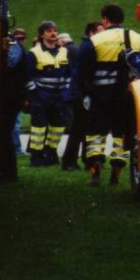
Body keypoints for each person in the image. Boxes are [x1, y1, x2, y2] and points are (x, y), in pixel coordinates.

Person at [76, 4, 140, 187]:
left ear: (105, 19)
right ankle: (117, 170)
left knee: (95, 132)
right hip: (125, 94)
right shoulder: (135, 38)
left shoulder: (96, 40)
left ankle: (95, 166)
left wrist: (85, 93)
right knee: (121, 133)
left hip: (100, 94)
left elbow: (82, 69)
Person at [23, 21, 74, 167]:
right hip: (42, 96)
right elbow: (27, 76)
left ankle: (51, 153)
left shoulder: (64, 51)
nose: (53, 33)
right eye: (49, 31)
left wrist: (66, 90)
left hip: (60, 96)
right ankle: (37, 157)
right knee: (39, 127)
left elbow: (70, 73)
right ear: (42, 34)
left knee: (58, 127)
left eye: (55, 31)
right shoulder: (34, 53)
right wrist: (36, 92)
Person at [61, 21, 103, 171]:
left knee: (82, 128)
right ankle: (71, 161)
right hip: (81, 94)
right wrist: (87, 94)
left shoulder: (86, 46)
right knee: (80, 129)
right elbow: (84, 74)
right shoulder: (88, 47)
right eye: (100, 31)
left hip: (80, 92)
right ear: (92, 32)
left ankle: (80, 160)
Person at [0, 27, 27, 182]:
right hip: (12, 97)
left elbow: (8, 65)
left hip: (10, 98)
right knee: (4, 133)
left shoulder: (13, 48)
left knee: (4, 133)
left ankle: (8, 172)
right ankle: (7, 171)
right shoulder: (16, 47)